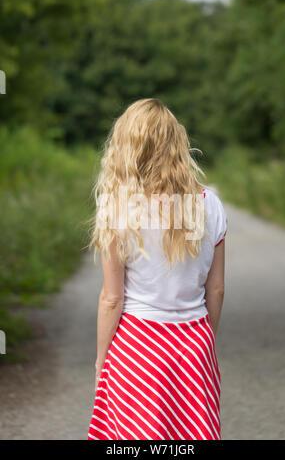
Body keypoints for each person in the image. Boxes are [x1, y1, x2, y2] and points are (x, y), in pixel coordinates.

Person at [87, 98, 227, 440]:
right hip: (194, 345)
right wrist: (203, 339)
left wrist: (101, 361)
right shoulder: (210, 205)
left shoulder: (117, 208)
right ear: (177, 143)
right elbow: (217, 289)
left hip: (136, 347)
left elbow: (111, 299)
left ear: (126, 145)